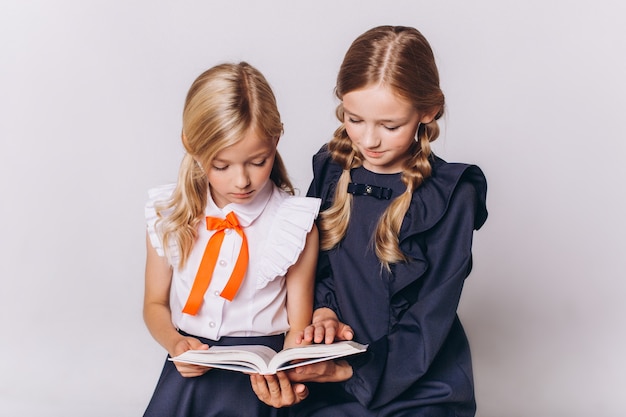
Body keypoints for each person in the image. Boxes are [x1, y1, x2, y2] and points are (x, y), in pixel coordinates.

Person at [250, 25, 488, 417]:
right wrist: (323, 312)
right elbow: (314, 264)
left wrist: (350, 369)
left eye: (389, 126)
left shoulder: (452, 193)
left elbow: (432, 313)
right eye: (354, 119)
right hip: (328, 370)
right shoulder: (331, 170)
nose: (369, 140)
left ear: (427, 111)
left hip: (416, 382)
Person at [142, 62, 321, 417]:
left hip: (261, 379)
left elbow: (297, 328)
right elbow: (154, 305)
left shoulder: (294, 224)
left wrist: (285, 379)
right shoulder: (169, 214)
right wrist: (176, 343)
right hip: (190, 371)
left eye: (258, 161)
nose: (242, 181)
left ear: (276, 139)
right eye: (222, 166)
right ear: (191, 146)